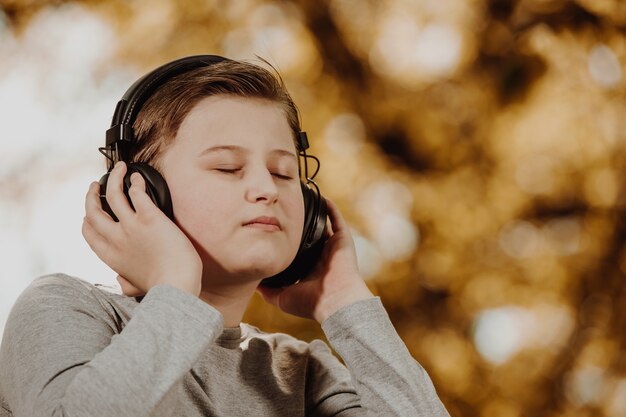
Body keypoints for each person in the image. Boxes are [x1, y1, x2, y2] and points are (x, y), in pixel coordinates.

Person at [0, 55, 450, 416]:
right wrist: (175, 286)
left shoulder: (302, 374)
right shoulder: (65, 308)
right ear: (141, 193)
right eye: (227, 168)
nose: (265, 189)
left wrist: (346, 302)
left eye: (283, 172)